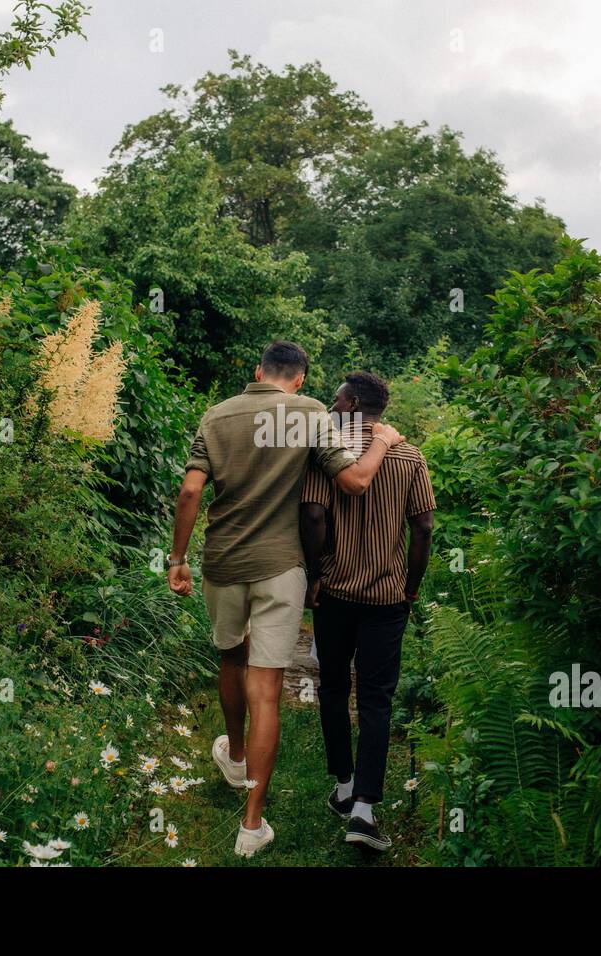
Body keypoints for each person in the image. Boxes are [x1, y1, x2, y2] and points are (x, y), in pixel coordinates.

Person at [166, 342, 404, 858]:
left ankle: (233, 753)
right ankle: (252, 825)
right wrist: (382, 441)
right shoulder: (311, 412)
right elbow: (356, 482)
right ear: (299, 379)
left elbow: (189, 493)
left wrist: (177, 558)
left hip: (224, 561)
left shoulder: (217, 415)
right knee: (267, 686)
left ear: (257, 372)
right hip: (281, 568)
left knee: (231, 654)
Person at [300, 370, 435, 851]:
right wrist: (410, 589)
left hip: (335, 593)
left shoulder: (326, 456)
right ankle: (364, 809)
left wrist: (315, 575)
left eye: (336, 399)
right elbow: (422, 529)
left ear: (353, 402)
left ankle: (341, 785)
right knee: (377, 698)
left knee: (333, 687)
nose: (331, 406)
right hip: (386, 599)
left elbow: (313, 516)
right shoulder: (409, 456)